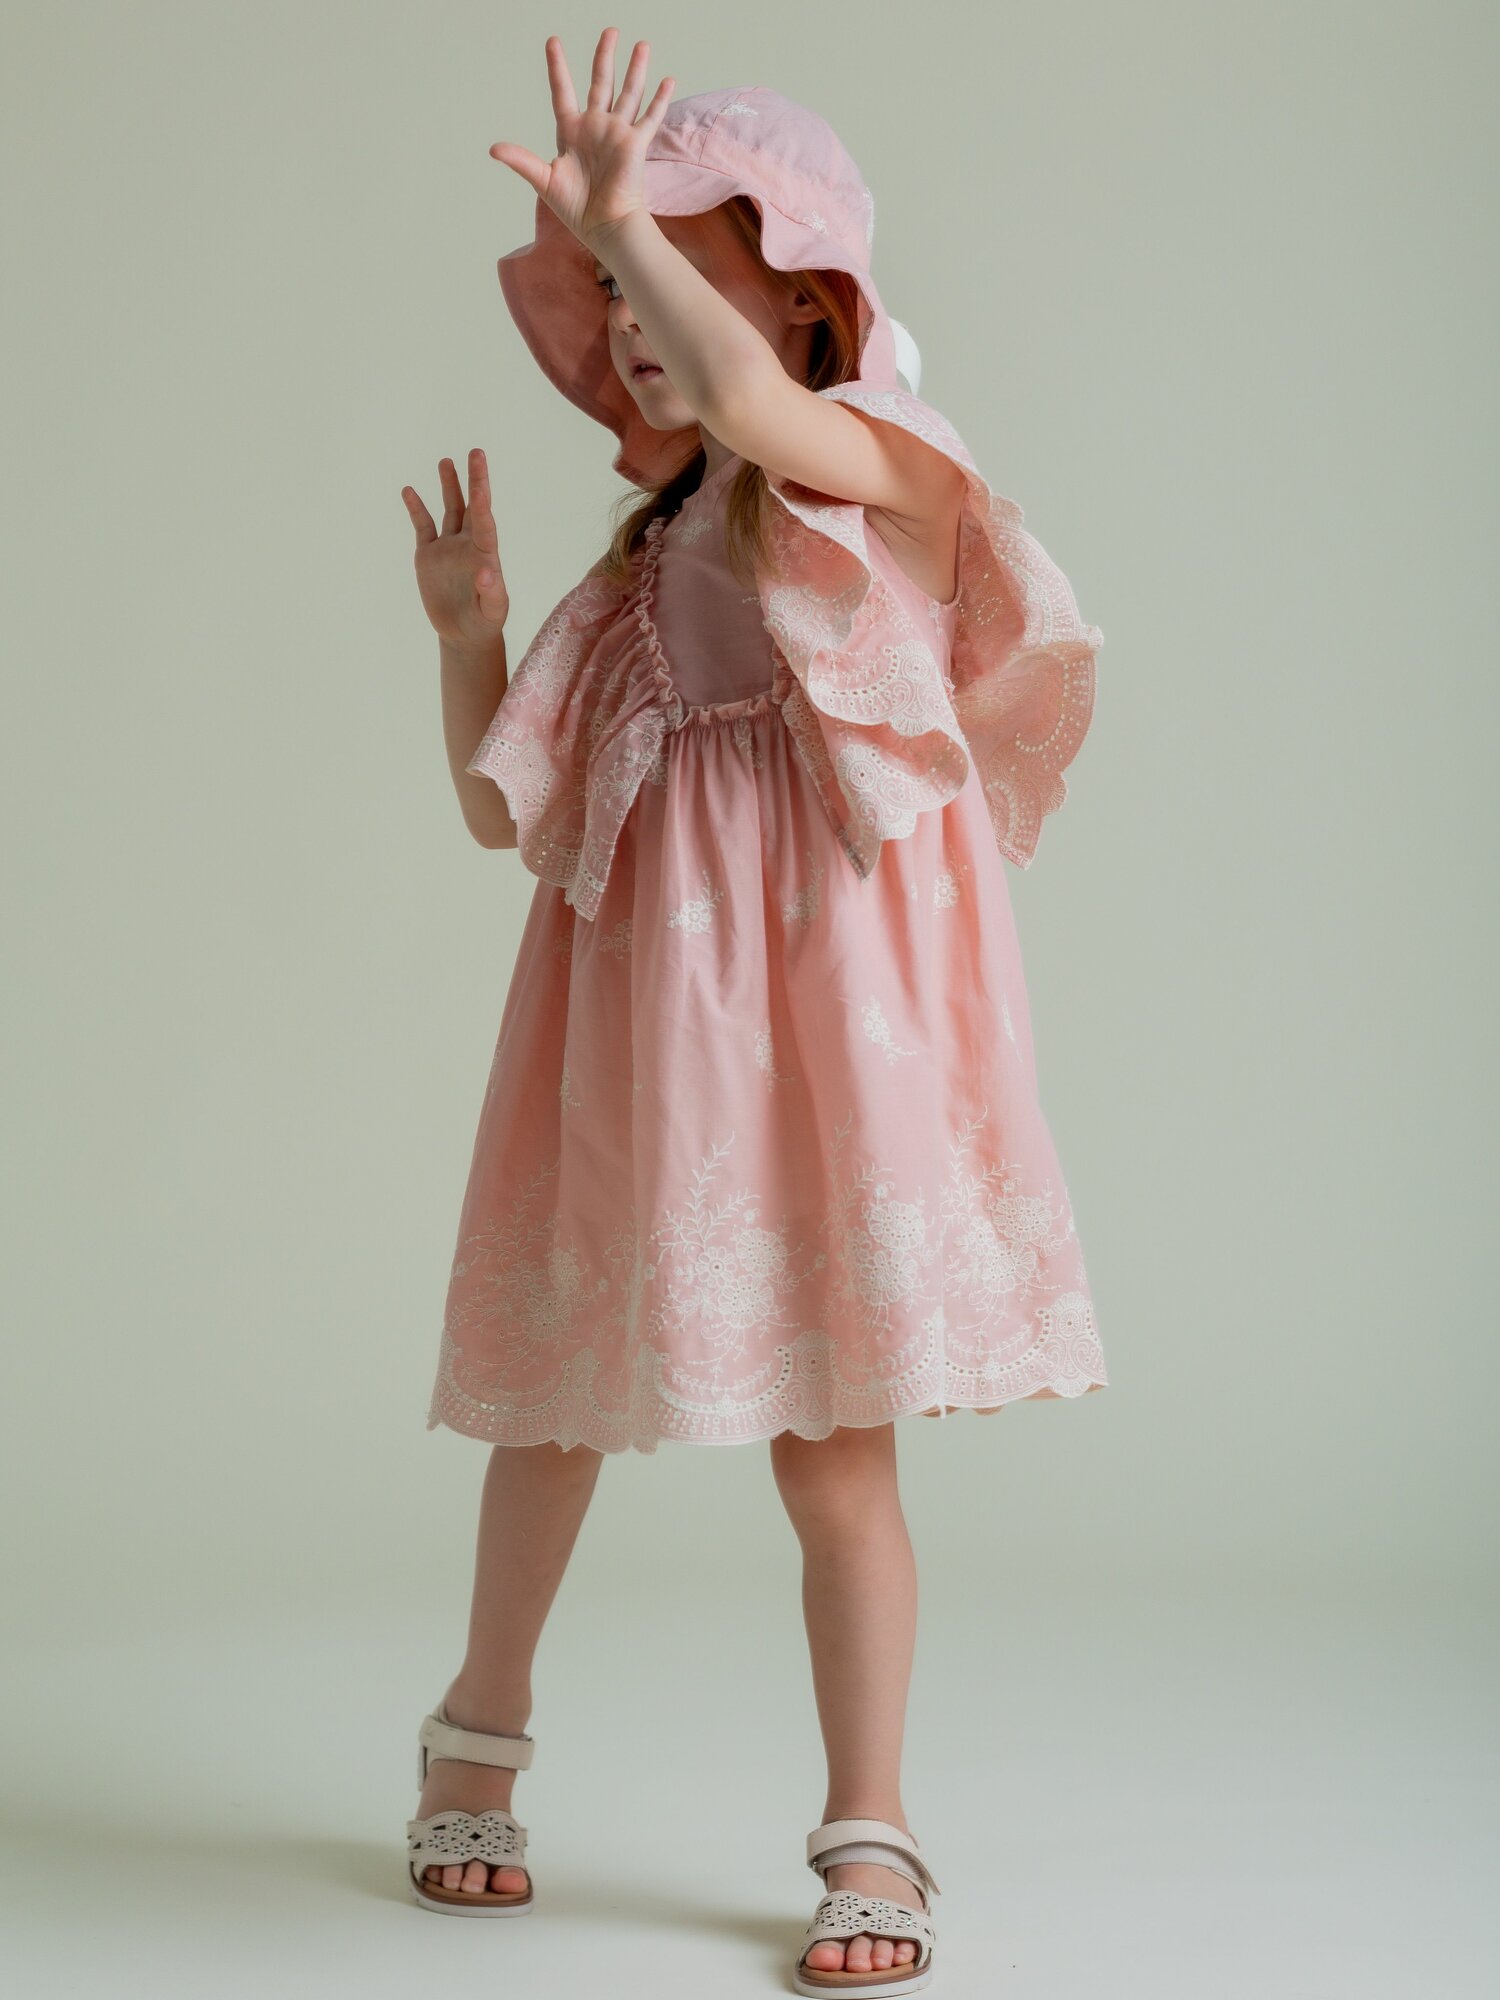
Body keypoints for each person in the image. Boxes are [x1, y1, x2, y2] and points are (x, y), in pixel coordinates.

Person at [397, 31, 1107, 1996]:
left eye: (674, 281)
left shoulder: (876, 466)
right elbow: (500, 807)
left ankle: (869, 1820)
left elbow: (748, 408)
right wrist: (468, 639)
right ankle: (474, 1732)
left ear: (808, 301)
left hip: (833, 1035)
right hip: (649, 1028)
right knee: (559, 1401)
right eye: (611, 298)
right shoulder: (644, 572)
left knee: (838, 1449)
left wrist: (619, 223)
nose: (632, 325)